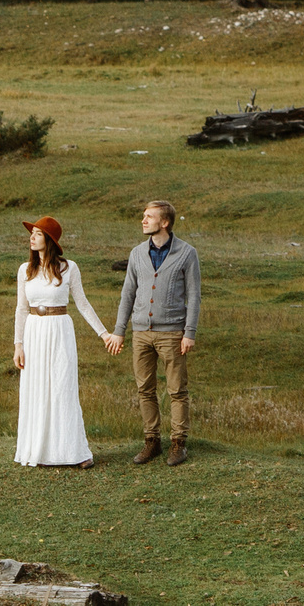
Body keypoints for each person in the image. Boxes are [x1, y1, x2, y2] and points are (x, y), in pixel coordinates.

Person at [11, 215, 117, 467]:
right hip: (34, 332)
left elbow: (82, 303)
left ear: (49, 240)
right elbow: (21, 309)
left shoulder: (69, 268)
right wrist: (18, 345)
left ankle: (75, 453)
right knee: (36, 389)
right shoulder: (25, 270)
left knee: (62, 387)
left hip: (60, 331)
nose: (31, 237)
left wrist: (104, 334)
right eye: (32, 233)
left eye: (37, 233)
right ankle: (39, 451)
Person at [114, 198, 200, 465]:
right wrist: (119, 331)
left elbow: (194, 296)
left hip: (173, 333)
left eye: (149, 217)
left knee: (177, 390)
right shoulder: (137, 253)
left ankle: (178, 444)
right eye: (143, 216)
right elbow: (127, 293)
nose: (143, 220)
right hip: (141, 333)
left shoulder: (187, 253)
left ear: (165, 222)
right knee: (145, 389)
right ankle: (152, 441)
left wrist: (190, 332)